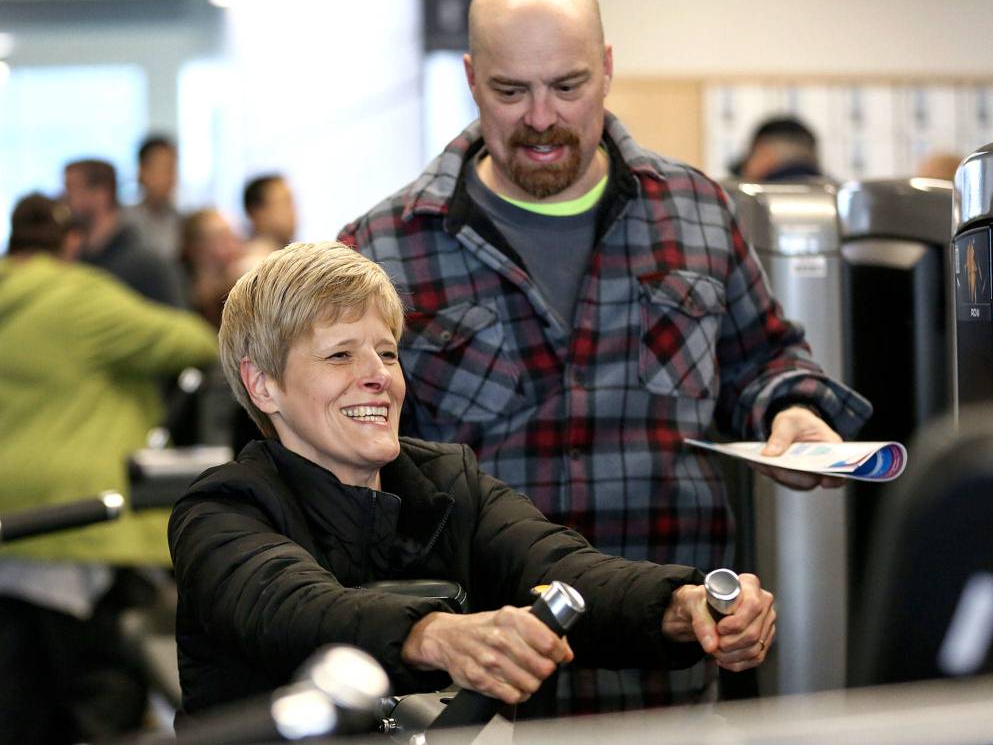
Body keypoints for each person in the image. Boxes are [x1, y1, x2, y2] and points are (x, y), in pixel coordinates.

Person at [339, 0, 870, 711]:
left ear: (608, 68)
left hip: (670, 664)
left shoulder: (698, 213)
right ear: (469, 79)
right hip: (481, 681)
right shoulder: (383, 248)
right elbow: (341, 470)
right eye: (509, 90)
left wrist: (793, 409)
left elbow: (764, 358)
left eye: (568, 85)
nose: (542, 118)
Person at [169, 241, 775, 723]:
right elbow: (297, 611)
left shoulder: (446, 485)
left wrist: (683, 605)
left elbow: (565, 569)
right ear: (262, 384)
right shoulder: (223, 511)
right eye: (339, 356)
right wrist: (435, 635)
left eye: (386, 353)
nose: (378, 376)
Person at [0, 193, 219, 743]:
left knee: (22, 698)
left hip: (11, 524)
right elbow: (191, 342)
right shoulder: (81, 297)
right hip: (78, 519)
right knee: (101, 696)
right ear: (71, 241)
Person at [64, 157, 186, 307]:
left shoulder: (148, 266)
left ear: (102, 193)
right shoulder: (76, 261)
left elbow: (180, 323)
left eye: (71, 189)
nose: (64, 198)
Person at [121, 135, 182, 263]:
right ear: (142, 171)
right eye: (164, 169)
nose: (171, 177)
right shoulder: (123, 221)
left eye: (173, 169)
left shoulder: (180, 222)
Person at [180, 207, 245, 327]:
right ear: (197, 248)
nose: (233, 245)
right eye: (222, 239)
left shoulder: (238, 282)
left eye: (232, 237)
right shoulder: (184, 296)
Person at [736, 115, 824, 182]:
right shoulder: (831, 192)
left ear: (764, 152)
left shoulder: (756, 198)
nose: (744, 169)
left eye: (752, 155)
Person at [237, 173, 298, 270]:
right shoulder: (251, 267)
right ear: (257, 213)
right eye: (285, 202)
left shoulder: (291, 256)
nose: (293, 211)